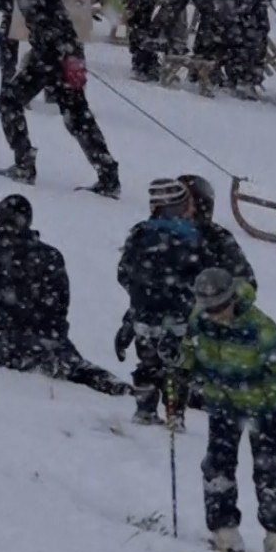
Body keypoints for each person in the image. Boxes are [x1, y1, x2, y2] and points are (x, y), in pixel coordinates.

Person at [180, 268, 276, 552]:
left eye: (220, 306)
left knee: (271, 472)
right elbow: (187, 359)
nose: (215, 313)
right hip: (222, 405)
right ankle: (224, 532)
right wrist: (176, 363)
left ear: (232, 298)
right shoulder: (198, 321)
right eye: (209, 307)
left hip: (265, 408)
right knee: (218, 466)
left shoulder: (260, 327)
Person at [0, 195, 132, 396]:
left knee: (52, 372)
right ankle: (118, 389)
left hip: (8, 342)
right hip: (53, 338)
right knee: (78, 368)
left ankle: (49, 370)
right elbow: (62, 303)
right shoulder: (52, 256)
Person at [0, 0, 120, 196]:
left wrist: (65, 57)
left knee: (11, 100)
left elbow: (54, 25)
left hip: (54, 57)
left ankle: (25, 162)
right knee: (76, 118)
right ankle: (108, 174)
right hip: (60, 56)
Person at [117, 178, 205, 427]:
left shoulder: (141, 234)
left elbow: (124, 273)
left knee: (147, 362)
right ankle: (175, 413)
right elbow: (198, 281)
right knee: (178, 366)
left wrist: (138, 303)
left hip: (144, 316)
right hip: (180, 317)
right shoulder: (191, 239)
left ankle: (145, 408)